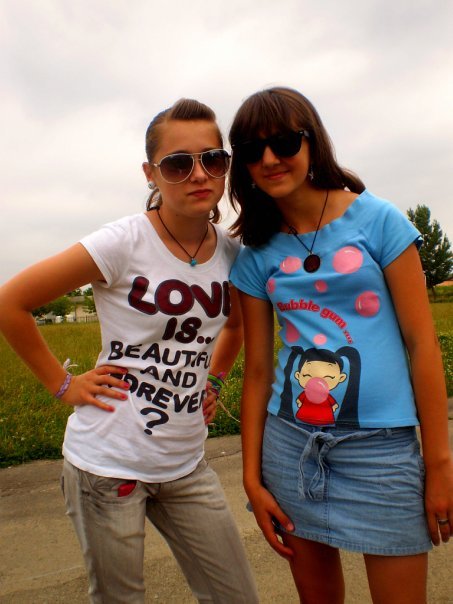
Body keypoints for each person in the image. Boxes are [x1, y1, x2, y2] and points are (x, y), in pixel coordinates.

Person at [0, 98, 259, 604]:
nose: (198, 174)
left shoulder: (232, 254)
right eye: (178, 163)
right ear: (151, 173)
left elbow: (236, 325)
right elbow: (12, 302)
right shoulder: (121, 242)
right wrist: (64, 384)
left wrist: (216, 378)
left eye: (213, 159)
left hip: (186, 463)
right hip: (107, 463)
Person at [227, 86, 453, 604]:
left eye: (285, 142)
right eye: (253, 149)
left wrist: (440, 464)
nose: (270, 159)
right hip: (290, 449)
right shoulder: (256, 253)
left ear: (313, 142)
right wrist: (251, 479)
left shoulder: (380, 222)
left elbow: (422, 344)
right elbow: (258, 371)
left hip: (383, 453)